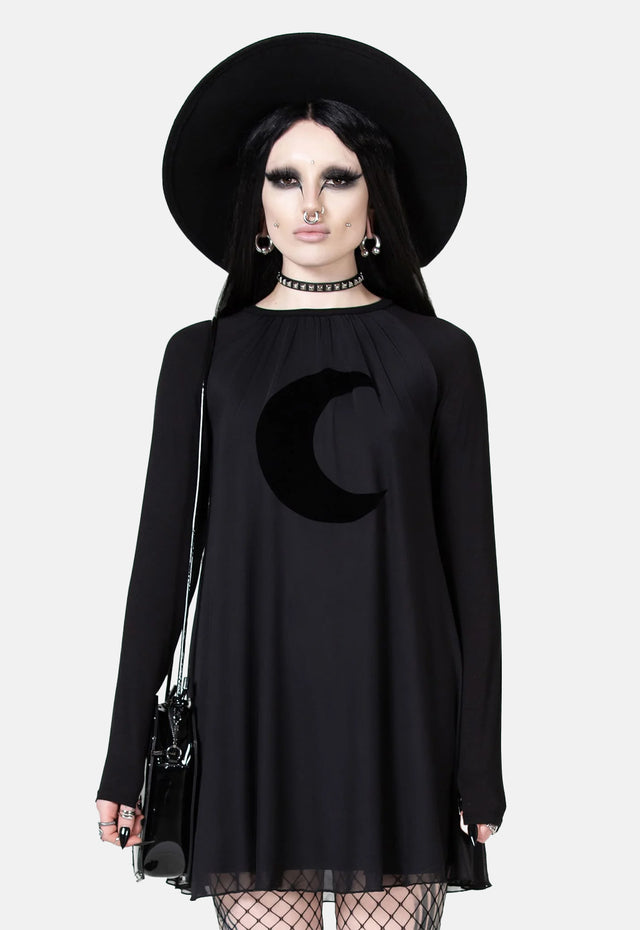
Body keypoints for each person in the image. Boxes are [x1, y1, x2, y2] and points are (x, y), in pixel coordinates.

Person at [95, 33, 507, 930]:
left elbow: (472, 575)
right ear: (256, 201)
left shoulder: (440, 354)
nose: (310, 205)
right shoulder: (202, 356)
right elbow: (160, 563)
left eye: (338, 178)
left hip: (398, 714)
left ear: (375, 199)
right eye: (286, 179)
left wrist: (480, 764)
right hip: (248, 713)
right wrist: (124, 757)